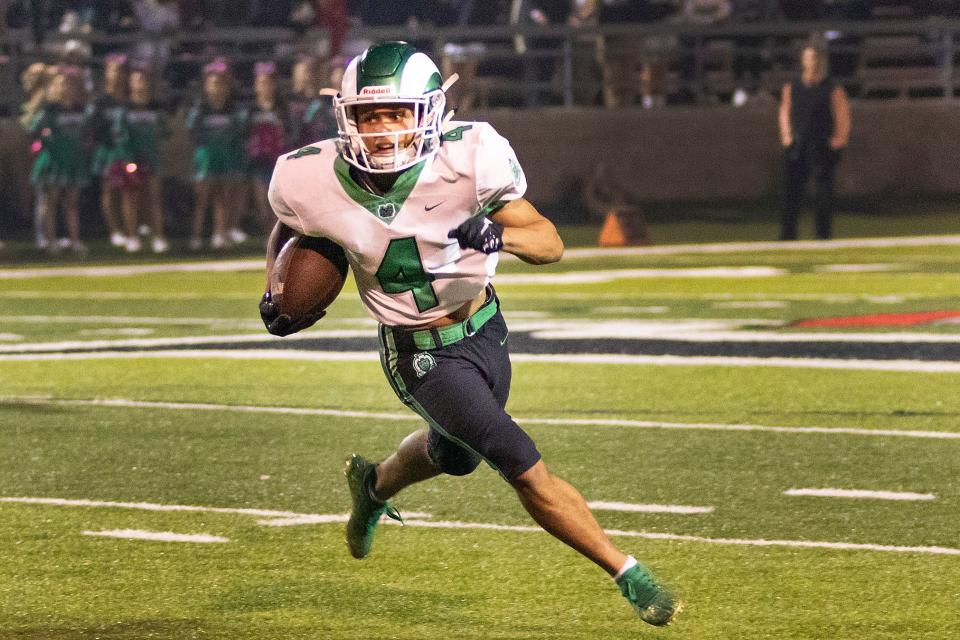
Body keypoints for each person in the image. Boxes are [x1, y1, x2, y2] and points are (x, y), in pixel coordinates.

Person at [263, 41, 681, 627]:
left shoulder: (472, 157)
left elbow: (550, 241)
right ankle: (627, 572)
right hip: (418, 351)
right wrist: (275, 290)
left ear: (429, 113)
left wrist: (498, 236)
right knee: (515, 456)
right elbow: (288, 227)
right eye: (367, 115)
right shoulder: (308, 175)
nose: (381, 130)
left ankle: (374, 486)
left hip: (486, 326)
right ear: (345, 118)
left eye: (395, 114)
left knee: (453, 455)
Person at [778, 43, 851, 240]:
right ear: (803, 60)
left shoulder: (832, 89)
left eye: (816, 58)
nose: (813, 62)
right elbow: (785, 112)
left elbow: (842, 114)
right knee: (791, 192)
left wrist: (838, 140)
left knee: (823, 194)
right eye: (809, 58)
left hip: (822, 144)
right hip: (798, 144)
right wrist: (787, 137)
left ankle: (823, 235)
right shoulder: (792, 87)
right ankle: (788, 235)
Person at [185, 57, 248, 250]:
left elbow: (240, 131)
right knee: (202, 199)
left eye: (221, 84)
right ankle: (195, 237)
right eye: (213, 84)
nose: (217, 88)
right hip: (206, 159)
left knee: (223, 197)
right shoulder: (200, 109)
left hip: (226, 157)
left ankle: (219, 234)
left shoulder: (234, 109)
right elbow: (192, 132)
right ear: (206, 86)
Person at [28, 65, 91, 255]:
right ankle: (51, 240)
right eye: (62, 84)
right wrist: (45, 139)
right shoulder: (49, 110)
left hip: (72, 160)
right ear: (54, 87)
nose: (66, 88)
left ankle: (75, 240)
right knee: (51, 201)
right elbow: (34, 131)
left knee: (72, 203)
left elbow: (86, 133)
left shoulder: (80, 110)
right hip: (54, 160)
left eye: (69, 84)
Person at [116, 59, 170, 253]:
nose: (141, 84)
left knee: (154, 198)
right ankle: (132, 236)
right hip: (132, 159)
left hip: (152, 158)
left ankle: (158, 236)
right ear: (130, 83)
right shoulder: (125, 109)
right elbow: (120, 134)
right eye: (137, 80)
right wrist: (128, 158)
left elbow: (165, 131)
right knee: (131, 198)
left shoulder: (155, 108)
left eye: (144, 80)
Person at [89, 52, 131, 249]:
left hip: (129, 151)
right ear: (107, 73)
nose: (118, 75)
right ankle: (114, 230)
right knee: (110, 191)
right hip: (108, 151)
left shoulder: (131, 98)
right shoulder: (100, 101)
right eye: (114, 71)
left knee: (130, 191)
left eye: (121, 71)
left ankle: (131, 228)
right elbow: (93, 127)